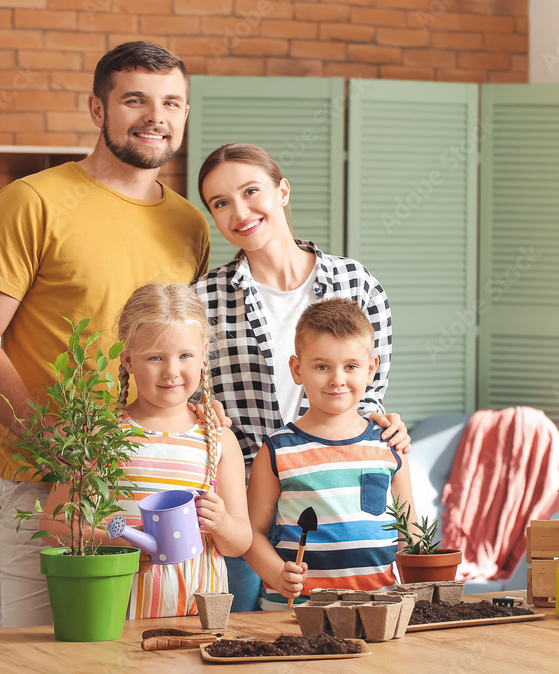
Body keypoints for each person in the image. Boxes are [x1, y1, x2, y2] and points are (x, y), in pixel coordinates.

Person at [0, 41, 211, 629]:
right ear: (97, 109)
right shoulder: (32, 201)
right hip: (45, 489)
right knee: (36, 661)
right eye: (135, 99)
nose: (156, 116)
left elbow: (182, 353)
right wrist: (59, 446)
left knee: (154, 659)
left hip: (154, 494)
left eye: (172, 102)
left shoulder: (190, 224)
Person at [193, 142, 411, 611]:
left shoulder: (357, 284)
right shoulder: (204, 299)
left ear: (282, 190)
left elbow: (369, 391)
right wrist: (200, 409)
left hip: (337, 504)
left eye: (252, 191)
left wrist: (386, 422)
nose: (240, 211)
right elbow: (189, 395)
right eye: (221, 203)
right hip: (244, 511)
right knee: (248, 641)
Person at [244, 298, 417, 608]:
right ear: (297, 369)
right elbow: (251, 533)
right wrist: (278, 574)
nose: (337, 379)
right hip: (295, 609)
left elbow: (410, 532)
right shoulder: (276, 450)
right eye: (322, 366)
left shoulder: (390, 445)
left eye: (351, 366)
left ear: (370, 370)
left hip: (380, 607)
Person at [113, 283, 249, 618]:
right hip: (119, 611)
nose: (171, 371)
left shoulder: (217, 437)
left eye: (185, 356)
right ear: (128, 360)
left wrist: (221, 524)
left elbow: (240, 541)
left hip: (200, 616)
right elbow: (58, 523)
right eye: (155, 357)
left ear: (203, 353)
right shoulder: (105, 435)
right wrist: (120, 543)